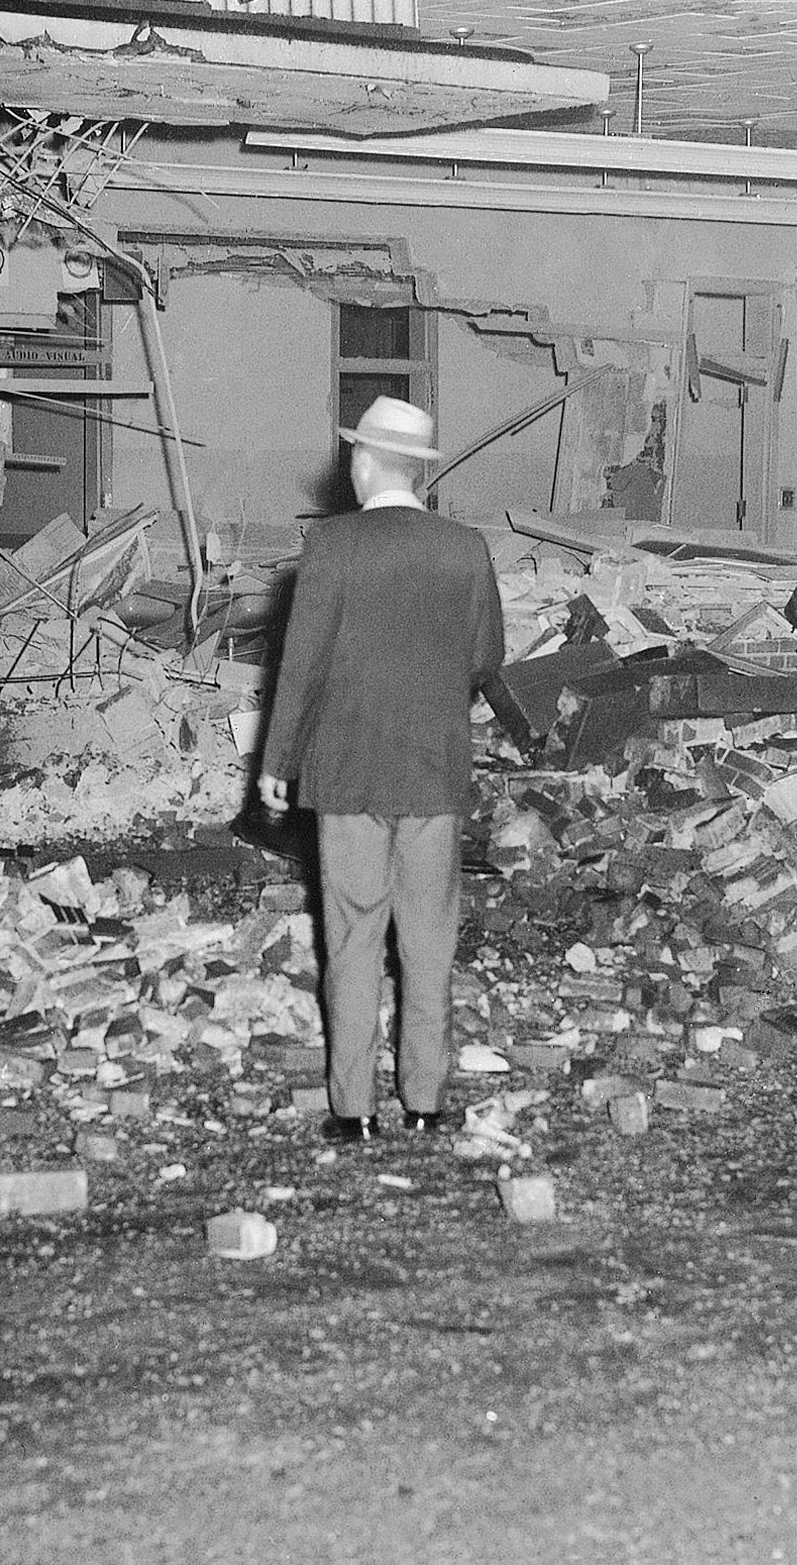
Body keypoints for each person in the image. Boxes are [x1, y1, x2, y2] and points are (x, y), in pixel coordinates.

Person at [257, 395, 504, 1143]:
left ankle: (355, 1110)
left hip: (348, 775)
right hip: (432, 774)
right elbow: (485, 658)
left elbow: (299, 666)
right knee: (429, 941)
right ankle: (426, 1103)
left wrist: (279, 761)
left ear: (364, 462)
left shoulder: (331, 545)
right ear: (419, 473)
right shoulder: (466, 547)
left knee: (355, 940)